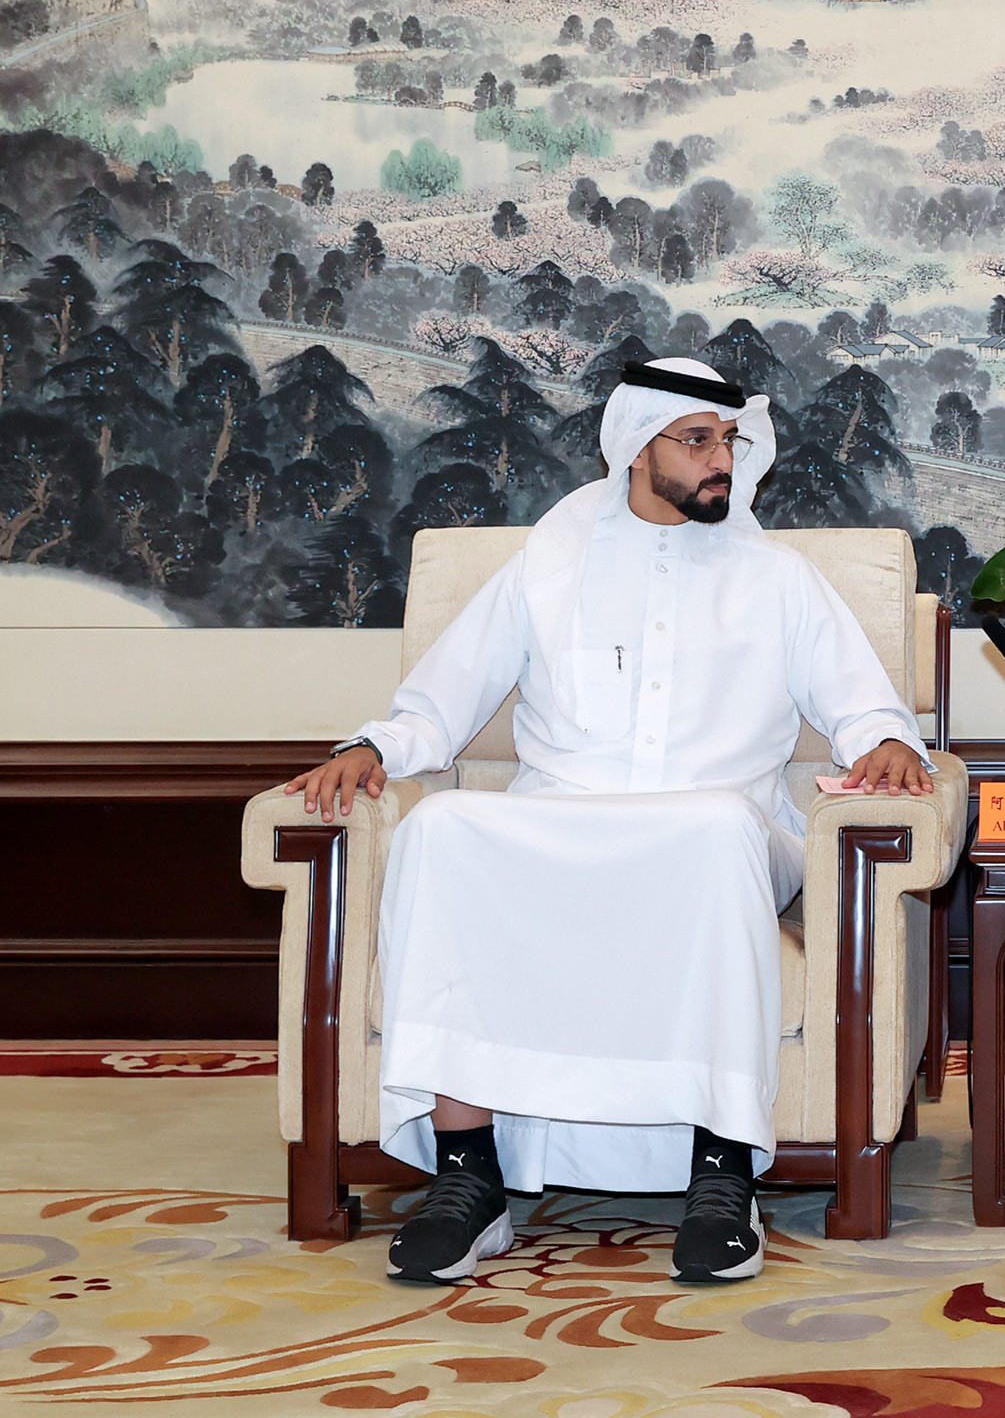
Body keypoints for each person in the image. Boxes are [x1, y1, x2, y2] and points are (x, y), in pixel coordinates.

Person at [284, 355, 932, 1289]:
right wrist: (374, 748)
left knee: (714, 828)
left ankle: (723, 1177)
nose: (722, 459)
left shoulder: (777, 578)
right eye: (697, 440)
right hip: (567, 830)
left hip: (726, 834)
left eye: (728, 441)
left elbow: (863, 703)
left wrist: (889, 742)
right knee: (441, 830)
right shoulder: (548, 568)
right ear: (636, 448)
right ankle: (469, 1178)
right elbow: (443, 697)